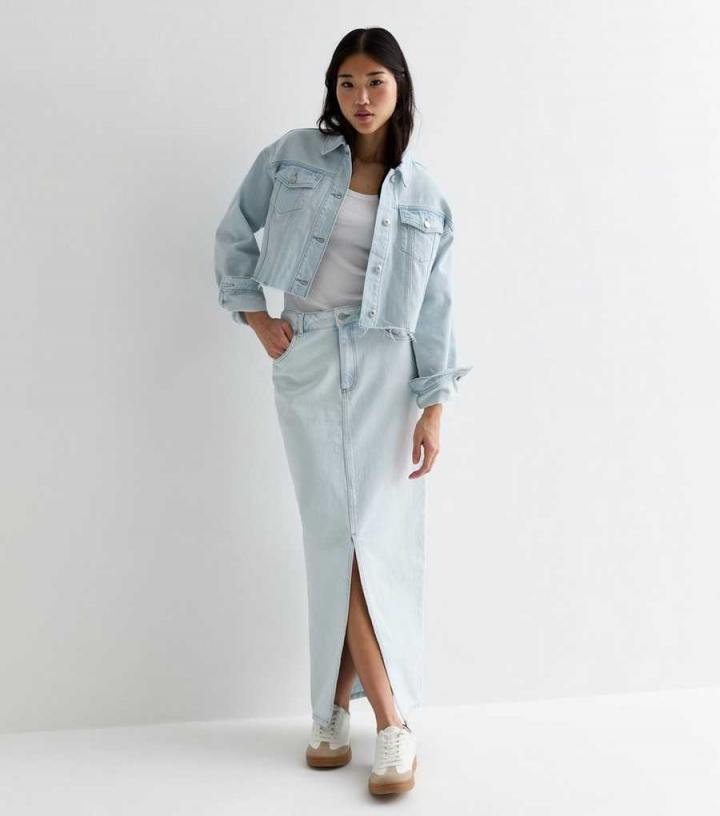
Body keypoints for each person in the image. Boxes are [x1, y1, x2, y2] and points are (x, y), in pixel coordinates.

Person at [214, 27, 472, 796]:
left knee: (376, 539)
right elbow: (233, 234)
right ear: (333, 88)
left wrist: (434, 406)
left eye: (376, 83)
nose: (361, 98)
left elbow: (437, 309)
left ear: (400, 89)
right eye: (348, 83)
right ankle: (391, 720)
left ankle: (340, 712)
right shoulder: (292, 157)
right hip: (310, 359)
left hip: (390, 371)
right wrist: (255, 315)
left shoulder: (423, 194)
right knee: (335, 533)